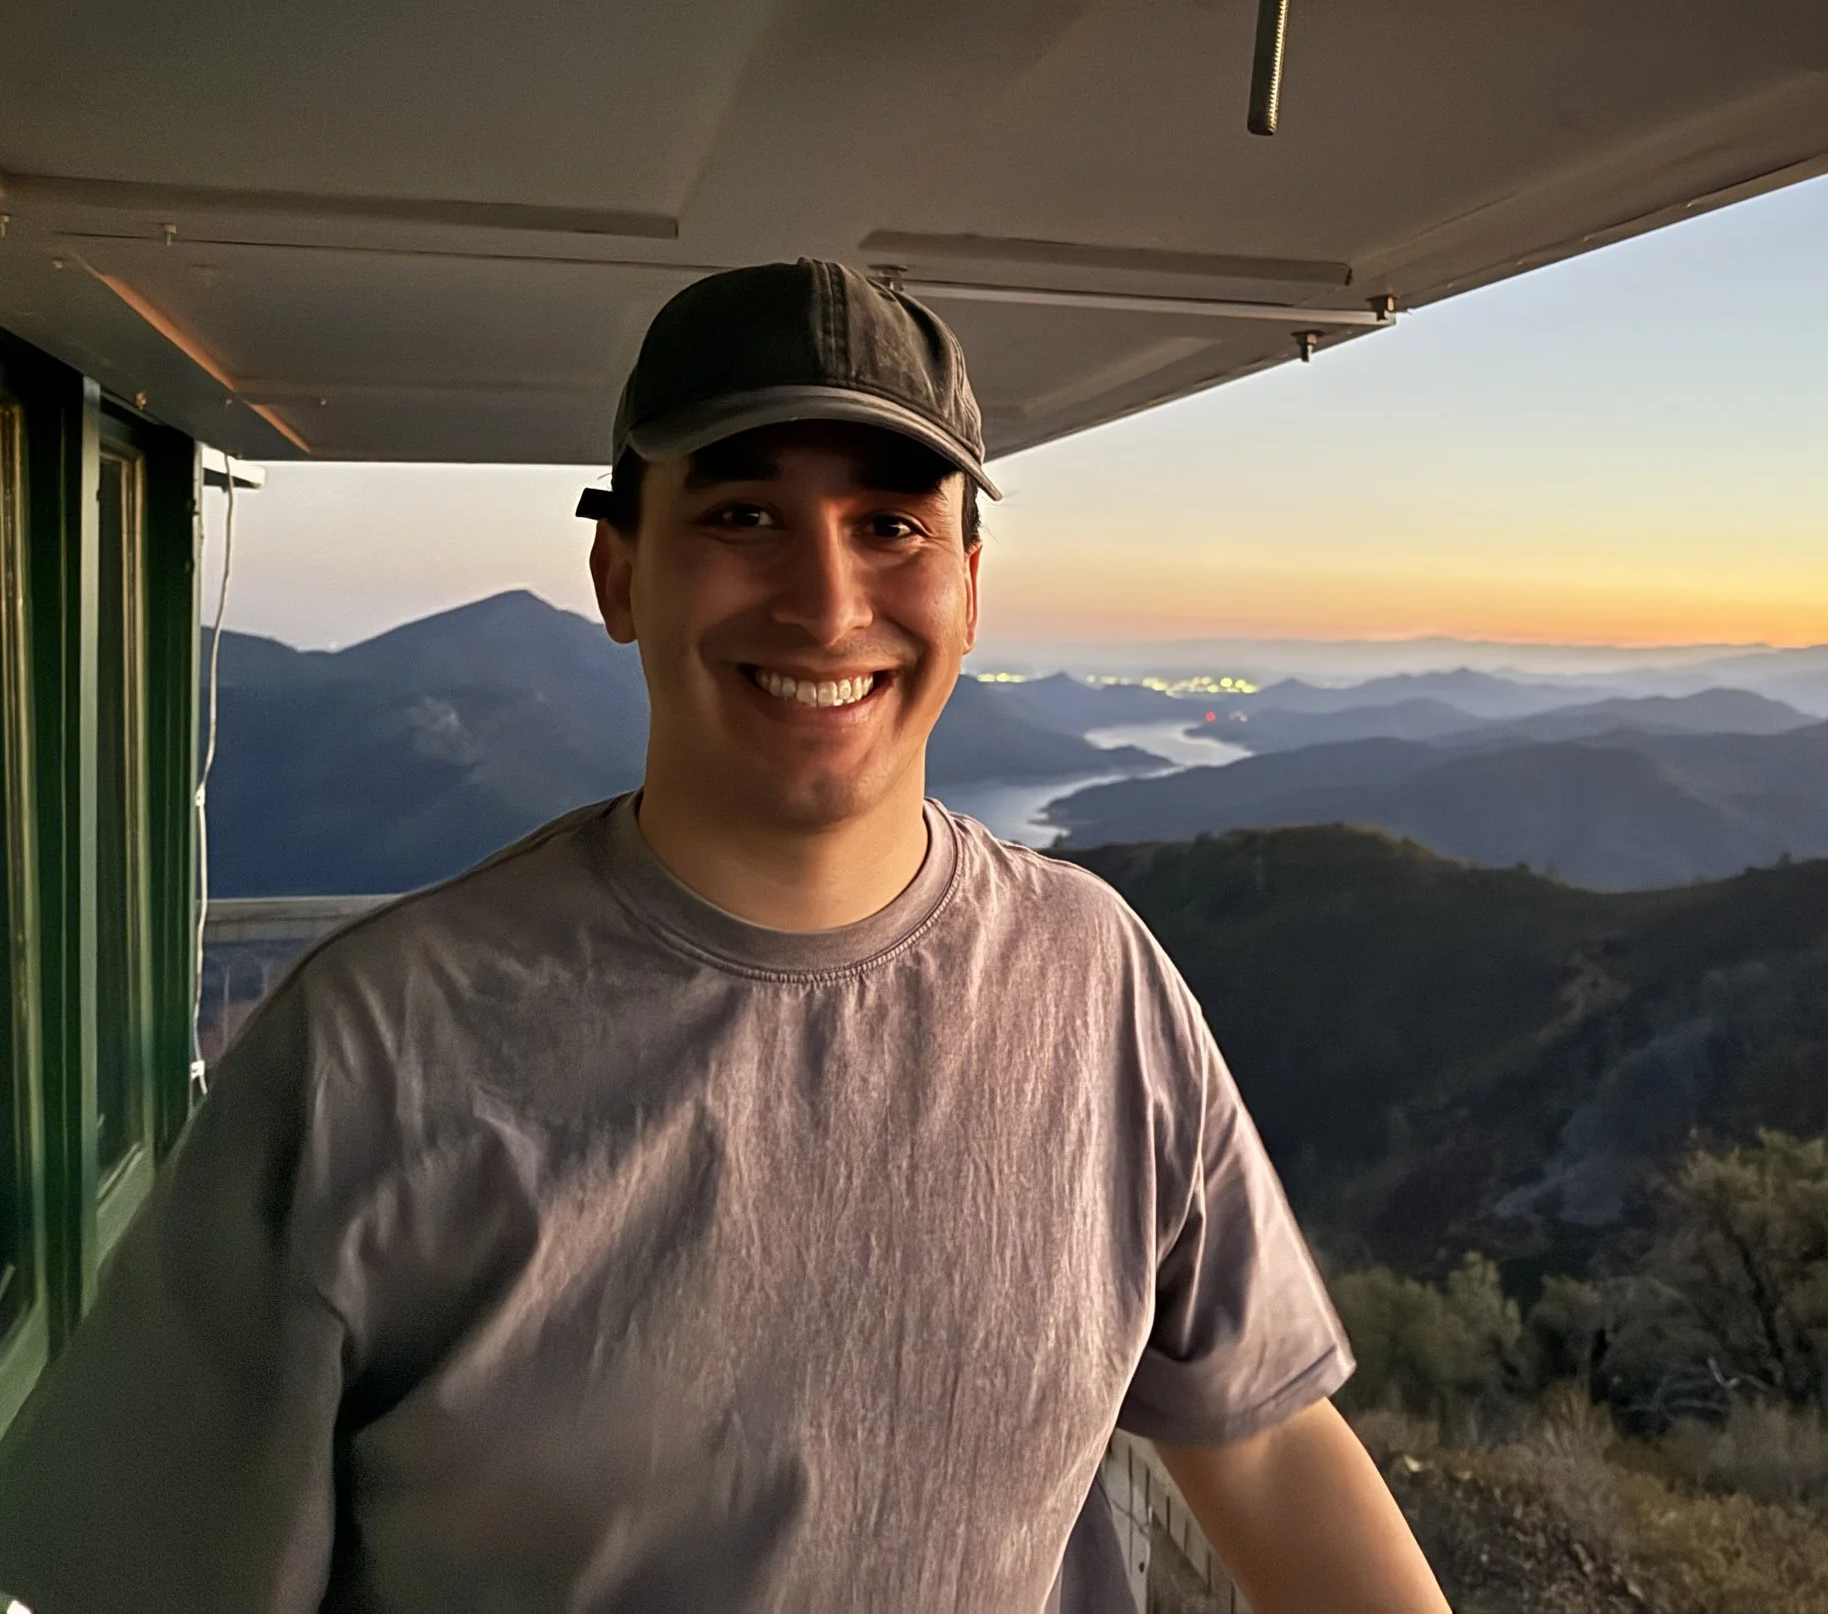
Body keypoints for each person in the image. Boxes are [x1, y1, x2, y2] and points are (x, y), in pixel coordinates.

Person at [0, 262, 1447, 1612]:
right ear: (620, 576)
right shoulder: (371, 1052)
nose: (827, 604)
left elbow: (1260, 1445)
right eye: (742, 515)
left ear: (967, 583)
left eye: (890, 524)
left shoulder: (1099, 976)